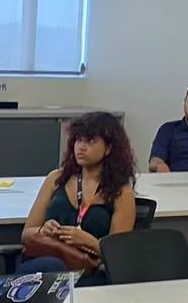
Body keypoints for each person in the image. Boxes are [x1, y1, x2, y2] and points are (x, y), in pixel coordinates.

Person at [19, 112, 137, 275]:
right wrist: (43, 230)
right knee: (52, 267)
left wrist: (90, 242)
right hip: (43, 263)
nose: (81, 147)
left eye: (90, 141)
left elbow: (117, 254)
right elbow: (26, 234)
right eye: (78, 140)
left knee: (66, 274)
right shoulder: (57, 178)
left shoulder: (121, 193)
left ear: (108, 148)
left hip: (87, 270)